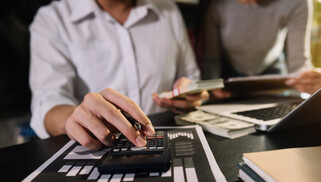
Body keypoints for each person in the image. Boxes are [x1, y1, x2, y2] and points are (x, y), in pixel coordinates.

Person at [29, 0, 208, 150]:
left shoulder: (168, 10)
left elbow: (189, 76)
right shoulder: (52, 20)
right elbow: (47, 100)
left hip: (165, 142)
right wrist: (73, 118)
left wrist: (189, 92)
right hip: (96, 149)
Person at [202, 0, 321, 99]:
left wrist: (307, 79)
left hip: (273, 74)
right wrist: (213, 87)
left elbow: (298, 62)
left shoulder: (297, 2)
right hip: (228, 77)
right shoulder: (215, 5)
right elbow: (211, 59)